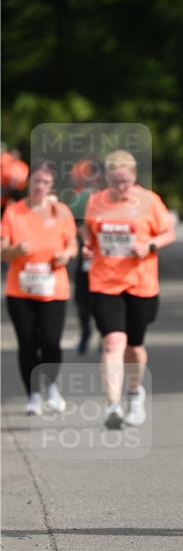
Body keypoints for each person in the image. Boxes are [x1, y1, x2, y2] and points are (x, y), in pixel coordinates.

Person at [83, 150, 176, 429]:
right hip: (104, 281)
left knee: (134, 346)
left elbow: (169, 233)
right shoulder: (96, 202)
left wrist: (147, 246)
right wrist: (87, 245)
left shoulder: (149, 201)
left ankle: (134, 394)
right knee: (112, 342)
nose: (121, 186)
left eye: (126, 181)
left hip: (141, 282)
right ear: (107, 178)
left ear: (134, 177)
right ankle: (112, 405)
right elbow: (87, 230)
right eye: (115, 181)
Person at [1, 161, 77, 414]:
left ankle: (51, 386)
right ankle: (33, 394)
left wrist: (66, 255)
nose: (40, 187)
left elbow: (73, 245)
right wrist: (14, 250)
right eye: (36, 182)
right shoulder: (14, 212)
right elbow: (2, 250)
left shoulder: (61, 212)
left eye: (45, 183)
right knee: (27, 342)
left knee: (50, 341)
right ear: (28, 184)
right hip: (20, 289)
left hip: (53, 288)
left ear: (51, 186)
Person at [67, 158, 103, 353]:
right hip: (87, 256)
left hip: (107, 260)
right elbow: (74, 225)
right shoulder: (80, 199)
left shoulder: (110, 198)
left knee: (103, 300)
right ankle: (85, 331)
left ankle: (104, 337)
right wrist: (85, 236)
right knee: (82, 299)